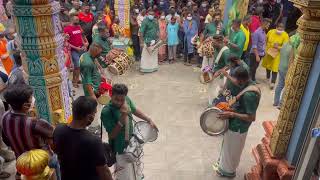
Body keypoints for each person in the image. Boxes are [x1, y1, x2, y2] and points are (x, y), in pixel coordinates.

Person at [101, 84, 157, 180]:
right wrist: (123, 117)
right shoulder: (106, 112)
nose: (119, 102)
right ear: (111, 95)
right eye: (116, 99)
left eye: (122, 100)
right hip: (120, 149)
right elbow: (112, 135)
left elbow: (134, 110)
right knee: (124, 175)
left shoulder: (126, 100)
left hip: (133, 143)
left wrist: (148, 119)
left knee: (136, 170)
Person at [213, 66, 260, 178]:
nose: (234, 82)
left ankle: (228, 173)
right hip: (235, 123)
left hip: (238, 127)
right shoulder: (249, 84)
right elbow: (243, 107)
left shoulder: (250, 94)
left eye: (236, 80)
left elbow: (251, 117)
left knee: (232, 151)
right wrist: (231, 109)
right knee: (228, 149)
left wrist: (232, 114)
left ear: (242, 80)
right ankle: (224, 168)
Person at [53, 96, 113, 180]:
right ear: (89, 117)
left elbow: (56, 152)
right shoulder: (93, 141)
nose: (94, 116)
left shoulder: (58, 130)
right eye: (94, 113)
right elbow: (104, 172)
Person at [1, 84, 54, 158]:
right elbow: (53, 135)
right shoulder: (35, 123)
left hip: (21, 160)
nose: (33, 99)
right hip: (41, 161)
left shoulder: (4, 116)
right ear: (26, 105)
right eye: (31, 98)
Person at [274, 33, 300, 108]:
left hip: (281, 67)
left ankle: (275, 102)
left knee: (280, 85)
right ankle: (281, 104)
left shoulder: (285, 44)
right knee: (287, 86)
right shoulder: (293, 48)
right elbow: (292, 60)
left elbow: (280, 50)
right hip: (287, 69)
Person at [261, 23, 289, 89]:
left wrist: (278, 47)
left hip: (277, 54)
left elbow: (285, 47)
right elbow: (266, 38)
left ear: (283, 29)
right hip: (268, 51)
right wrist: (264, 46)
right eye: (278, 29)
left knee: (275, 68)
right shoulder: (271, 32)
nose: (279, 31)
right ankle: (267, 77)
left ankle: (273, 82)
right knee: (267, 66)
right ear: (276, 28)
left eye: (281, 30)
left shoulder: (285, 35)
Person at [64, 14, 89, 88]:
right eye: (76, 19)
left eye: (78, 19)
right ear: (71, 20)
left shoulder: (78, 27)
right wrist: (76, 48)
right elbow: (66, 42)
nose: (78, 21)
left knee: (81, 65)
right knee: (77, 66)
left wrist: (85, 44)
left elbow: (81, 35)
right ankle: (74, 81)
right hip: (74, 50)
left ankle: (77, 79)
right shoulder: (67, 29)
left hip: (81, 48)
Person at [207, 35, 230, 106]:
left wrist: (219, 71)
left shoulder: (226, 52)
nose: (212, 44)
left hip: (221, 75)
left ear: (219, 42)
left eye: (213, 43)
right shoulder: (216, 48)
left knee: (218, 91)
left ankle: (216, 105)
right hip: (215, 73)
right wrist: (210, 68)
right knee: (211, 89)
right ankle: (212, 103)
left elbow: (229, 65)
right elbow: (216, 59)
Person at [249, 18, 272, 83]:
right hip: (255, 54)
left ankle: (253, 80)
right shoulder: (257, 33)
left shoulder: (263, 31)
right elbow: (254, 45)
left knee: (255, 68)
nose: (268, 26)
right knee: (252, 68)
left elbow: (263, 43)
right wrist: (257, 56)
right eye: (268, 25)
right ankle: (251, 81)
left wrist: (263, 52)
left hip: (260, 54)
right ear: (264, 24)